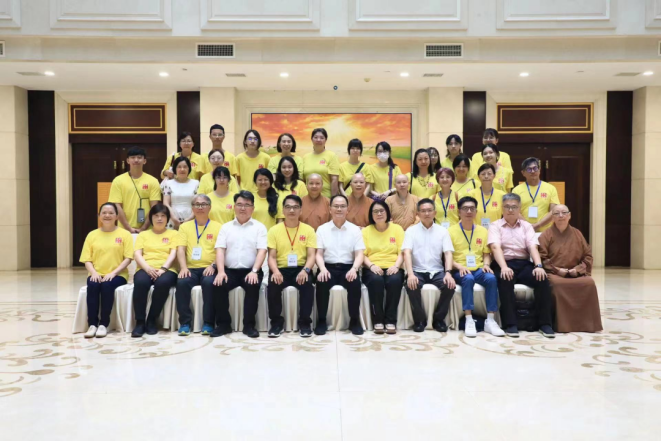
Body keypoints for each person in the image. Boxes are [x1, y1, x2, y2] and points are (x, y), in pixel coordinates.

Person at [488, 193, 555, 339]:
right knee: (505, 279)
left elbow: (532, 247)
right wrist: (504, 267)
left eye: (514, 207)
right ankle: (510, 324)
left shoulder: (526, 226)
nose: (510, 210)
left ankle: (545, 324)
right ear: (502, 208)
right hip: (503, 262)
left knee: (542, 279)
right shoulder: (495, 225)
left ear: (519, 209)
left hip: (523, 263)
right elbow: (495, 247)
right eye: (507, 207)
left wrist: (538, 266)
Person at [539, 205, 603, 333]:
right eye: (557, 213)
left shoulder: (577, 234)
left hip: (575, 273)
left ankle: (587, 324)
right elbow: (542, 257)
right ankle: (562, 325)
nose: (561, 216)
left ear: (569, 216)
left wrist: (578, 270)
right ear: (552, 217)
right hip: (554, 273)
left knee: (589, 283)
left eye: (564, 213)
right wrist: (557, 270)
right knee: (557, 284)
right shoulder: (546, 235)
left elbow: (587, 256)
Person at [213, 191, 269, 339]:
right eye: (239, 204)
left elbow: (262, 251)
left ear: (253, 208)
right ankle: (224, 324)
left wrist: (255, 271)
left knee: (252, 284)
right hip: (229, 271)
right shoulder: (226, 227)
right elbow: (220, 250)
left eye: (247, 205)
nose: (242, 208)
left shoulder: (259, 227)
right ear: (234, 206)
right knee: (218, 284)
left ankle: (249, 325)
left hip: (251, 270)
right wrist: (220, 271)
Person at [449, 197, 504, 338]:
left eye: (472, 208)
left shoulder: (483, 231)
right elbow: (447, 257)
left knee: (491, 278)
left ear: (476, 212)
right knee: (468, 279)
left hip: (479, 269)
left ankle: (490, 320)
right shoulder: (450, 231)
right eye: (465, 208)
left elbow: (486, 254)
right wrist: (459, 266)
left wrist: (486, 264)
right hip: (460, 269)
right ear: (459, 212)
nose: (469, 211)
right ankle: (469, 319)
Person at [402, 199, 456, 333]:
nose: (426, 213)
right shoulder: (411, 231)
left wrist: (448, 273)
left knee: (450, 285)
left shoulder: (442, 231)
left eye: (429, 210)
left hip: (437, 271)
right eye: (423, 211)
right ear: (418, 213)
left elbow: (448, 253)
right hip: (417, 270)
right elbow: (407, 253)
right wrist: (410, 274)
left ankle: (438, 319)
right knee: (411, 286)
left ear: (435, 213)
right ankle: (419, 320)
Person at [80, 203, 134, 338]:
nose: (107, 215)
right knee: (93, 285)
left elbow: (128, 258)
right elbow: (86, 259)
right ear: (99, 216)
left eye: (111, 213)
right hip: (96, 273)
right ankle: (92, 324)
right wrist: (94, 273)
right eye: (104, 213)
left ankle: (104, 324)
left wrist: (113, 273)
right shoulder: (92, 235)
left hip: (118, 274)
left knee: (107, 285)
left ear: (116, 216)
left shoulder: (125, 234)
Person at [315, 195, 366, 336]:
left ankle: (354, 321)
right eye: (336, 206)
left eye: (342, 206)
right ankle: (321, 320)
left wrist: (354, 269)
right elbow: (318, 254)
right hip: (328, 267)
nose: (339, 209)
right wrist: (322, 269)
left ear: (347, 209)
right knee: (321, 282)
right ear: (330, 209)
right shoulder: (322, 229)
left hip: (348, 267)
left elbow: (359, 254)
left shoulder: (355, 230)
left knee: (355, 283)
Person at [267, 195, 317, 338]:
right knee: (273, 285)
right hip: (280, 268)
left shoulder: (308, 230)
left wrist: (306, 270)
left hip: (301, 268)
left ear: (301, 210)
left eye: (295, 207)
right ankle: (276, 324)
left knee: (307, 285)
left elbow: (311, 256)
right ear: (283, 210)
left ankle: (305, 323)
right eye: (288, 207)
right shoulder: (274, 230)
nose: (291, 210)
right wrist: (275, 271)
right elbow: (271, 256)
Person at [174, 195, 222, 337]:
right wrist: (183, 268)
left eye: (203, 204)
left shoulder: (218, 227)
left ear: (210, 207)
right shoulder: (184, 227)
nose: (200, 207)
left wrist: (213, 265)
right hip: (190, 268)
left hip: (210, 268)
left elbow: (221, 250)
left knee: (209, 283)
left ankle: (208, 322)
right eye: (197, 204)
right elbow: (181, 249)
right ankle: (185, 323)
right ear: (192, 208)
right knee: (182, 283)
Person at [131, 204, 178, 338]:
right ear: (151, 218)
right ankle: (140, 322)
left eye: (163, 216)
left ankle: (152, 319)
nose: (159, 219)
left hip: (167, 269)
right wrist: (147, 268)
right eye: (156, 216)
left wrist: (163, 269)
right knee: (141, 283)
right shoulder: (143, 235)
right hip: (145, 267)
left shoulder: (174, 234)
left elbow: (173, 253)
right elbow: (137, 254)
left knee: (162, 283)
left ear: (168, 218)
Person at [362, 201, 405, 335]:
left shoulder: (397, 229)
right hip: (372, 267)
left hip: (394, 266)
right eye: (375, 211)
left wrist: (396, 266)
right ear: (371, 215)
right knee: (376, 281)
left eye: (382, 210)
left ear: (387, 212)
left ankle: (390, 320)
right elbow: (361, 254)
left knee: (394, 281)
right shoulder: (366, 231)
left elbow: (402, 252)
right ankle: (378, 320)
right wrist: (372, 266)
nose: (379, 214)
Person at [108, 147, 161, 233]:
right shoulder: (118, 180)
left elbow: (154, 207)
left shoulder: (153, 181)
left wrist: (143, 228)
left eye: (139, 157)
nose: (136, 160)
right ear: (128, 160)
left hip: (148, 230)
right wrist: (128, 228)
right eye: (133, 157)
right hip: (123, 230)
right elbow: (117, 206)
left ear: (144, 161)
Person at [513, 157, 560, 232]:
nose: (532, 171)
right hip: (523, 231)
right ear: (523, 173)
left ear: (539, 170)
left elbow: (553, 211)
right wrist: (528, 227)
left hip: (545, 231)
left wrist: (538, 225)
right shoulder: (516, 190)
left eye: (535, 168)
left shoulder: (551, 188)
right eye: (529, 169)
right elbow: (515, 211)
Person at [162, 156, 200, 229]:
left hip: (191, 218)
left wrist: (190, 218)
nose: (182, 169)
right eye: (179, 167)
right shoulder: (168, 183)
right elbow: (166, 203)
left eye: (185, 167)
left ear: (189, 169)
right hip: (172, 218)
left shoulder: (196, 183)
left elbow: (198, 203)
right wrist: (173, 218)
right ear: (175, 169)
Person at [302, 128, 340, 198]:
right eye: (316, 137)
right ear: (312, 139)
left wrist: (333, 199)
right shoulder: (305, 157)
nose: (318, 140)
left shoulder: (332, 156)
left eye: (322, 138)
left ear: (325, 140)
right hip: (308, 197)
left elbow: (334, 179)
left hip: (326, 197)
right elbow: (303, 180)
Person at [469, 164, 506, 229]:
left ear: (494, 176)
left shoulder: (502, 195)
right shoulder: (471, 194)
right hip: (475, 231)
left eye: (489, 174)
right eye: (483, 174)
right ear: (478, 176)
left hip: (496, 231)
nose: (486, 176)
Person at [274, 156, 308, 221]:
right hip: (277, 222)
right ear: (280, 169)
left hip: (296, 221)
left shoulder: (300, 185)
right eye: (284, 167)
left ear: (294, 168)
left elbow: (304, 206)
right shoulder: (274, 185)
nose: (287, 170)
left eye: (290, 167)